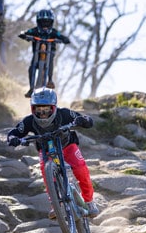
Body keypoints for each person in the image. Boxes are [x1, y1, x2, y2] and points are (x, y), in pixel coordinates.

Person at [6, 88, 100, 218]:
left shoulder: (64, 114)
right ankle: (56, 205)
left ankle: (89, 202)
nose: (43, 113)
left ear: (54, 107)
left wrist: (84, 121)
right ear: (33, 109)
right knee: (46, 172)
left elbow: (85, 119)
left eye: (46, 109)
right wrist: (13, 139)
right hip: (46, 150)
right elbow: (14, 132)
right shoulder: (29, 121)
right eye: (38, 109)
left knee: (80, 168)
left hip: (68, 146)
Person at [19, 9, 70, 98]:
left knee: (50, 61)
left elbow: (61, 36)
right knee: (31, 68)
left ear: (51, 23)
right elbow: (26, 32)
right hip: (36, 53)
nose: (45, 25)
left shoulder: (54, 32)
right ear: (38, 22)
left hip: (50, 51)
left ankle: (50, 80)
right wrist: (23, 34)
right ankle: (31, 88)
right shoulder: (35, 30)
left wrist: (65, 39)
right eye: (42, 22)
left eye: (47, 23)